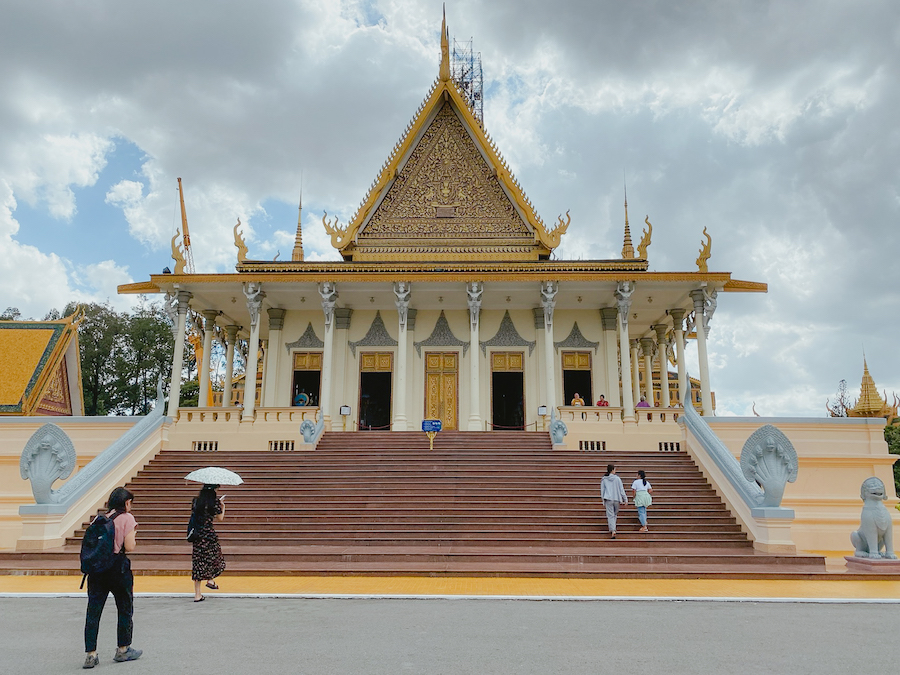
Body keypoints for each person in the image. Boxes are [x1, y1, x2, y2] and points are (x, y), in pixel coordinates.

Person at [83, 487, 142, 668]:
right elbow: (130, 546)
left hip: (97, 569)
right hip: (118, 568)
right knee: (124, 608)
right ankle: (123, 649)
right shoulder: (127, 518)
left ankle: (91, 654)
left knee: (93, 611)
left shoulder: (100, 519)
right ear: (126, 503)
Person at [191, 484, 226, 602]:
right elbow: (220, 518)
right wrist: (222, 506)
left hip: (197, 536)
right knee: (214, 557)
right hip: (209, 535)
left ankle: (197, 594)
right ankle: (210, 580)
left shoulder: (196, 501)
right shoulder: (214, 503)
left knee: (198, 563)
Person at [600, 464, 627, 539]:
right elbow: (621, 489)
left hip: (608, 498)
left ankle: (613, 529)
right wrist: (625, 499)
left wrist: (603, 500)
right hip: (616, 498)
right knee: (614, 514)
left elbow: (602, 490)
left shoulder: (604, 479)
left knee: (610, 515)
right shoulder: (617, 479)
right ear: (612, 470)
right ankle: (613, 528)